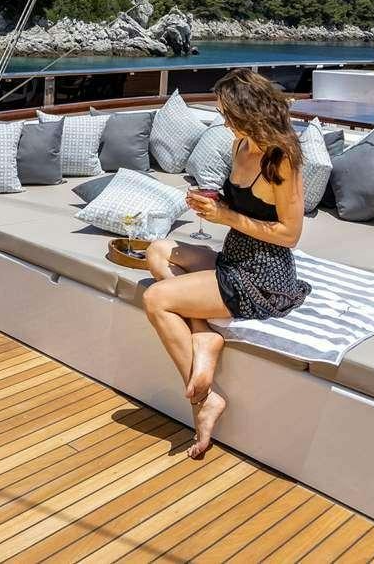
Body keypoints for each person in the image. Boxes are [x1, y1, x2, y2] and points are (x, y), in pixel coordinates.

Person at [142, 68, 311, 459]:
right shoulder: (240, 145)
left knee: (156, 300)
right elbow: (242, 207)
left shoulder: (281, 159)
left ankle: (206, 401)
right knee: (158, 251)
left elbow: (289, 235)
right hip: (233, 258)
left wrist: (227, 217)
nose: (223, 120)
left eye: (226, 113)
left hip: (262, 275)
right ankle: (203, 333)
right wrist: (212, 205)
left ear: (248, 111)